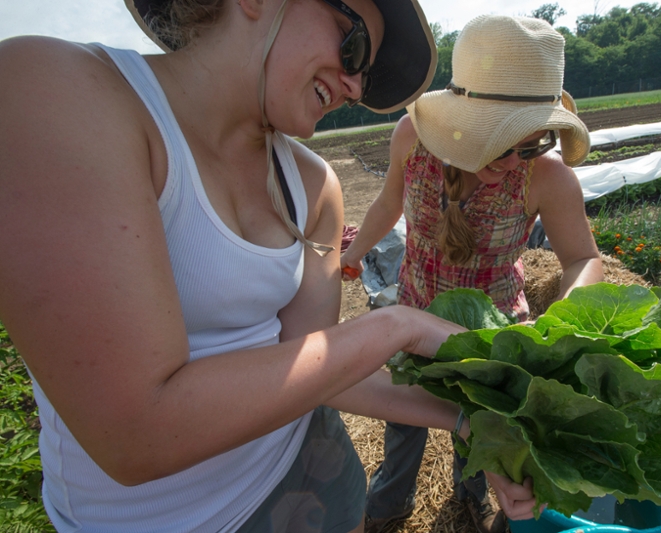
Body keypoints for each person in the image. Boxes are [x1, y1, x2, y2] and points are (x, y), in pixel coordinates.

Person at [0, 1, 540, 531]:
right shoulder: (54, 89)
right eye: (353, 48)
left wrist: (470, 421)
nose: (355, 87)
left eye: (365, 73)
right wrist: (398, 324)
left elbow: (316, 375)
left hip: (315, 466)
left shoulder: (313, 185)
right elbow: (135, 436)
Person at [340, 15, 604, 533]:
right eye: (503, 142)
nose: (516, 160)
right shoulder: (412, 139)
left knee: (482, 430)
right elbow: (388, 205)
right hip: (414, 314)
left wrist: (563, 319)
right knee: (404, 424)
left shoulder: (547, 177)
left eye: (533, 143)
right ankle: (389, 504)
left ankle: (472, 497)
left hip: (492, 336)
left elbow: (582, 259)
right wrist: (350, 256)